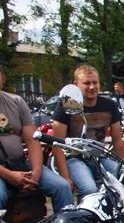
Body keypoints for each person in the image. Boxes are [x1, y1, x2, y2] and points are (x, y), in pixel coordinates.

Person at [0, 64, 73, 213]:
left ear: (3, 78)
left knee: (62, 187)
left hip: (19, 164)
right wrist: (9, 175)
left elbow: (33, 140)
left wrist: (36, 173)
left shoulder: (16, 101)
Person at [52, 65, 124, 202]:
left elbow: (117, 139)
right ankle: (86, 214)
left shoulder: (109, 105)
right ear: (76, 84)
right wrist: (65, 177)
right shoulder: (67, 105)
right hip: (73, 158)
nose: (92, 87)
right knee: (89, 189)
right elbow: (57, 144)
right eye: (87, 83)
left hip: (99, 156)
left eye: (95, 82)